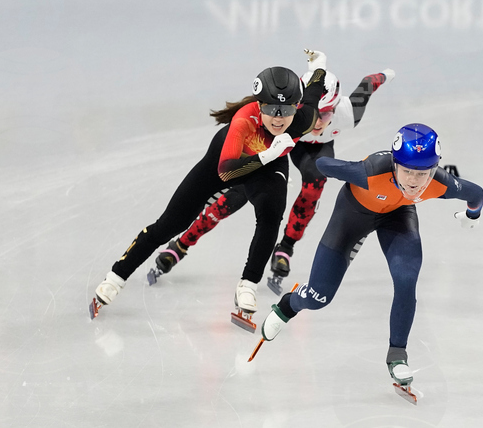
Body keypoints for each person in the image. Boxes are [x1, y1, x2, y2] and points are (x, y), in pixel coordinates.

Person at [89, 50, 330, 320]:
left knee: (271, 214)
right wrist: (269, 153)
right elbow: (226, 174)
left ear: (296, 107)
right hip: (226, 164)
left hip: (268, 168)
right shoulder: (242, 122)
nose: (278, 117)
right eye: (271, 109)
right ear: (259, 105)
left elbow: (314, 89)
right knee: (169, 225)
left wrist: (318, 64)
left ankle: (248, 285)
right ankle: (115, 277)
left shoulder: (302, 117)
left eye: (286, 110)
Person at [257, 123, 483, 394]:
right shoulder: (370, 172)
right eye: (407, 171)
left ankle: (397, 353)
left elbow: (476, 194)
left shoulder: (440, 183)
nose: (413, 181)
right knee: (318, 298)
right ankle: (288, 306)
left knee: (406, 281)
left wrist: (472, 217)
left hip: (398, 217)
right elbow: (325, 164)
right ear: (394, 164)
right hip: (352, 216)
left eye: (422, 174)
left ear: (434, 170)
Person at [150, 64, 396, 291]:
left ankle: (286, 247)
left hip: (309, 149)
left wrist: (386, 74)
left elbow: (368, 84)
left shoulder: (349, 113)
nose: (318, 122)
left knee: (316, 180)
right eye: (315, 113)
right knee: (237, 195)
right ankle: (183, 242)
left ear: (336, 107)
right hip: (280, 142)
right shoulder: (289, 115)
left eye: (327, 114)